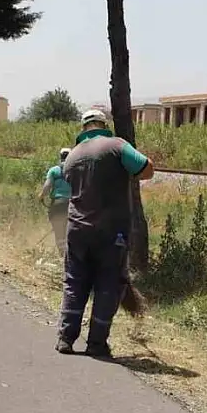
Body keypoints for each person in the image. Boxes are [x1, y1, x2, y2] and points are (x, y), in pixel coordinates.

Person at [55, 109, 154, 358]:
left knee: (74, 282)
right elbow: (147, 168)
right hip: (112, 232)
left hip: (76, 229)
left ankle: (65, 338)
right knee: (108, 284)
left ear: (83, 127)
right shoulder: (117, 145)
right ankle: (96, 343)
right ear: (103, 124)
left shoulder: (72, 156)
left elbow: (69, 183)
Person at [38, 147, 73, 254]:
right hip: (72, 205)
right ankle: (70, 253)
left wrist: (41, 196)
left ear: (60, 157)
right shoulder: (75, 171)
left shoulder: (54, 170)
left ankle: (62, 253)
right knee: (71, 229)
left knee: (58, 230)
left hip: (57, 204)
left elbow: (47, 186)